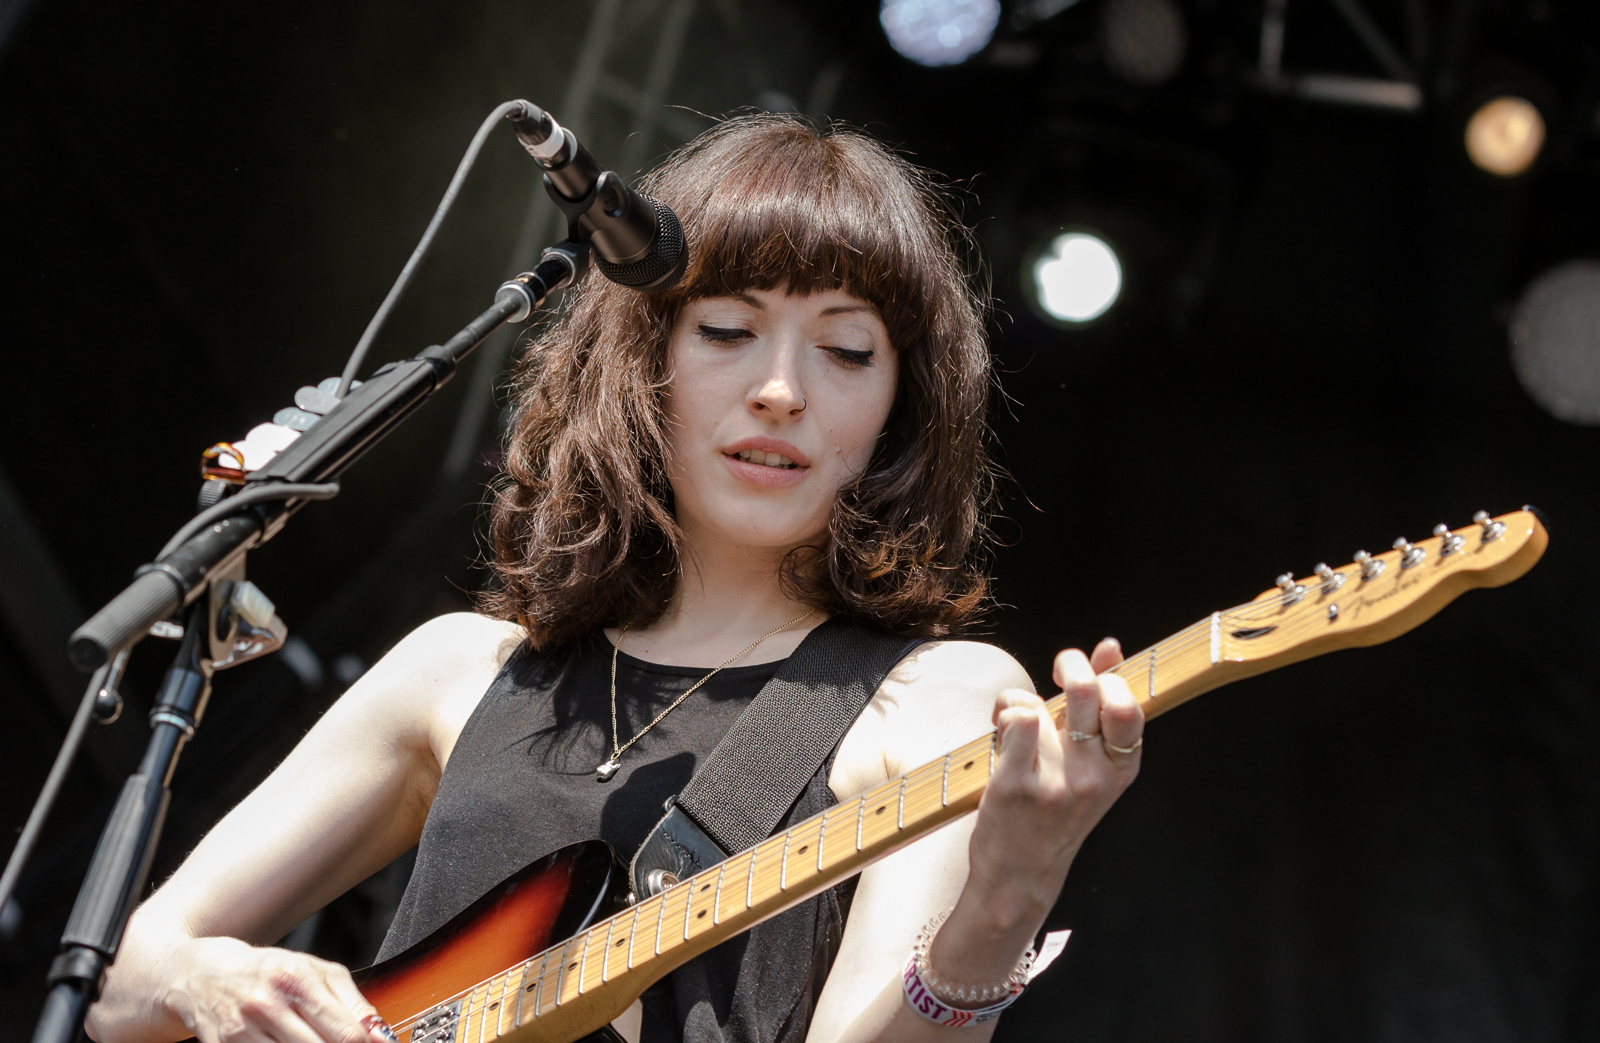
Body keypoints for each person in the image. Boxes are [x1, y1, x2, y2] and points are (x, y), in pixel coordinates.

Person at [85, 115, 1144, 1043]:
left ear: (897, 416)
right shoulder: (459, 667)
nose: (779, 390)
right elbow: (123, 981)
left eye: (847, 351)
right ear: (645, 360)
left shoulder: (937, 697)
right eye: (727, 330)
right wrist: (215, 977)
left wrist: (1007, 896)